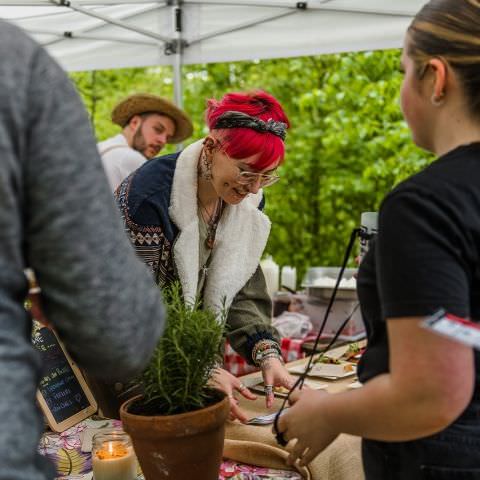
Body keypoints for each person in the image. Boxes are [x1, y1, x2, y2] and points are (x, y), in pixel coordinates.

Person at [277, 0, 480, 477]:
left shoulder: (426, 205)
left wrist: (326, 412)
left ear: (436, 78)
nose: (401, 92)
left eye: (404, 72)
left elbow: (431, 393)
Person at [0, 21, 166, 480]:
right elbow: (117, 327)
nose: (161, 142)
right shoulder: (17, 66)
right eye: (156, 129)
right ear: (133, 124)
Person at [116, 90, 295, 422]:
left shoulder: (247, 204)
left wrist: (267, 354)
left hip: (192, 369)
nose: (254, 188)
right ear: (211, 148)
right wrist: (199, 369)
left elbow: (239, 288)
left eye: (265, 176)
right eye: (246, 172)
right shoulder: (148, 197)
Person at [98, 93, 193, 191]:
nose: (163, 141)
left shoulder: (100, 149)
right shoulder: (131, 159)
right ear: (135, 123)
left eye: (168, 138)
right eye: (158, 129)